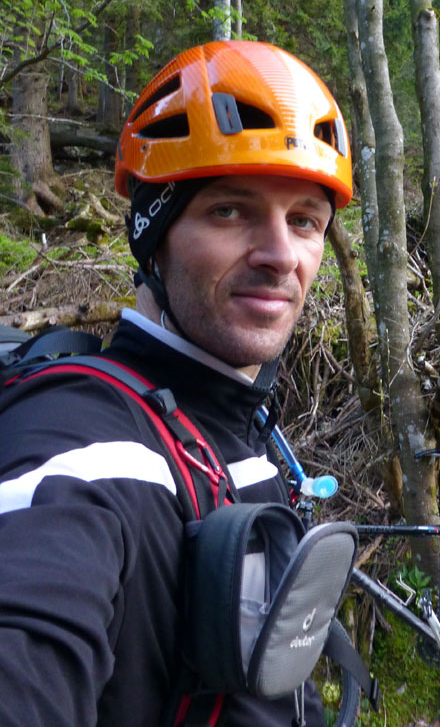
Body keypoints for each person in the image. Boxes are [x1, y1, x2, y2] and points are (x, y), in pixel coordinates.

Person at [0, 40, 353, 727]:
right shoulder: (81, 446)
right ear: (152, 235)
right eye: (230, 210)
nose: (282, 255)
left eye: (305, 220)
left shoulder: (236, 424)